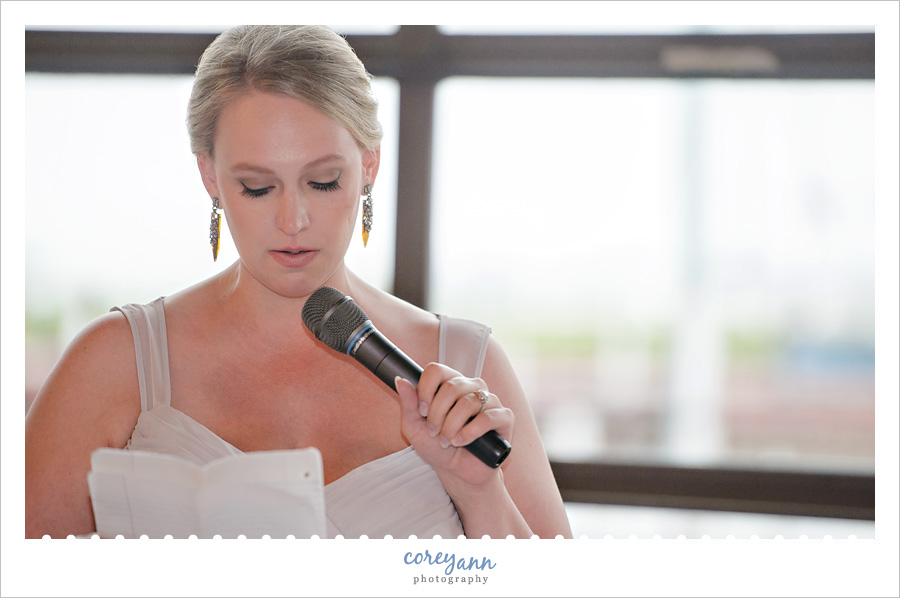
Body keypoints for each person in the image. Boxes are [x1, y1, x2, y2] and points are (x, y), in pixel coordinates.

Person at [25, 25, 573, 540]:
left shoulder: (469, 366)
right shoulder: (113, 363)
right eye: (257, 187)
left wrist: (479, 492)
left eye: (323, 181)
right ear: (210, 175)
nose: (293, 221)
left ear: (369, 166)